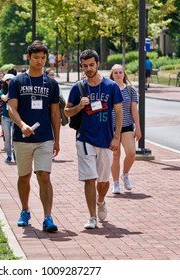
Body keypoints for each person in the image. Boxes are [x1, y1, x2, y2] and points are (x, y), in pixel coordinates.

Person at [64, 49, 123, 229]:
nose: (88, 69)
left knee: (103, 181)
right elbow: (67, 112)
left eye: (91, 65)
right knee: (89, 178)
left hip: (105, 139)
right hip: (84, 138)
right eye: (85, 66)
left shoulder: (111, 86)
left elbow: (119, 112)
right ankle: (91, 217)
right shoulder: (78, 88)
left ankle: (101, 201)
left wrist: (116, 137)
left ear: (98, 64)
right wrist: (79, 107)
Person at [8, 40, 61, 233]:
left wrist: (57, 139)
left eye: (43, 58)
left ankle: (48, 217)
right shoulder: (17, 81)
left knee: (44, 176)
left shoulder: (51, 84)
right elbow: (11, 107)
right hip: (22, 138)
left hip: (45, 138)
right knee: (24, 176)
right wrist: (22, 125)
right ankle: (25, 210)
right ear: (28, 57)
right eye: (36, 58)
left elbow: (55, 114)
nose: (40, 61)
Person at [109, 64, 141, 194]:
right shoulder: (108, 89)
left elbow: (134, 109)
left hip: (127, 125)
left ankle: (125, 174)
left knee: (131, 153)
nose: (118, 75)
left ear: (124, 74)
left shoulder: (130, 90)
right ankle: (115, 183)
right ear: (112, 75)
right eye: (115, 73)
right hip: (112, 126)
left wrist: (137, 127)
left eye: (120, 72)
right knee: (115, 155)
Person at [0, 73, 15, 163]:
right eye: (8, 80)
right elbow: (4, 98)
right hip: (5, 117)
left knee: (15, 137)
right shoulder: (2, 91)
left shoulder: (17, 90)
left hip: (15, 117)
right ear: (5, 82)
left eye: (11, 80)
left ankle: (15, 155)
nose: (10, 82)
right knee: (7, 137)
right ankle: (9, 155)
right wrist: (11, 90)